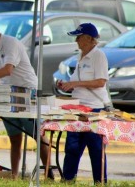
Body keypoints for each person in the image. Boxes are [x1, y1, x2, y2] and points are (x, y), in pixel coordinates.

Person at [0, 20, 53, 179]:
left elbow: (8, 70)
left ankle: (48, 174)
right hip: (8, 96)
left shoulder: (11, 43)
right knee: (14, 137)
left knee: (39, 136)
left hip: (27, 93)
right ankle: (15, 175)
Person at [56, 23, 110, 183]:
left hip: (94, 108)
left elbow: (101, 82)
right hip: (78, 107)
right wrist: (65, 84)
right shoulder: (80, 57)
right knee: (72, 147)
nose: (76, 40)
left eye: (78, 37)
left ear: (89, 38)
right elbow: (76, 82)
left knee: (96, 149)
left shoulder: (98, 56)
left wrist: (75, 84)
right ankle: (68, 179)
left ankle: (100, 182)